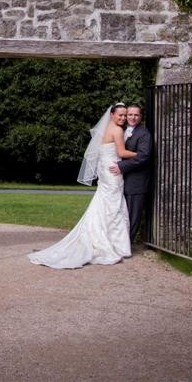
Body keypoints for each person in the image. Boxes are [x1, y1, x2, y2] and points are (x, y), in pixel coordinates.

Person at [28, 103, 135, 269]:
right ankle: (113, 244)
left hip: (105, 170)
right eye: (120, 115)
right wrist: (142, 154)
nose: (122, 118)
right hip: (113, 172)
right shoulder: (117, 130)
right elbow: (121, 153)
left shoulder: (105, 128)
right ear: (112, 115)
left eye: (124, 115)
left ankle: (106, 238)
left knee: (103, 204)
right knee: (113, 206)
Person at [109, 103, 152, 243]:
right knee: (120, 213)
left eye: (136, 115)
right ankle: (116, 242)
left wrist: (122, 166)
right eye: (130, 114)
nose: (132, 117)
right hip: (121, 180)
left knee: (133, 215)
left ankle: (127, 244)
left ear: (141, 117)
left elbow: (143, 157)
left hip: (136, 181)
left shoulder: (144, 134)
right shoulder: (121, 129)